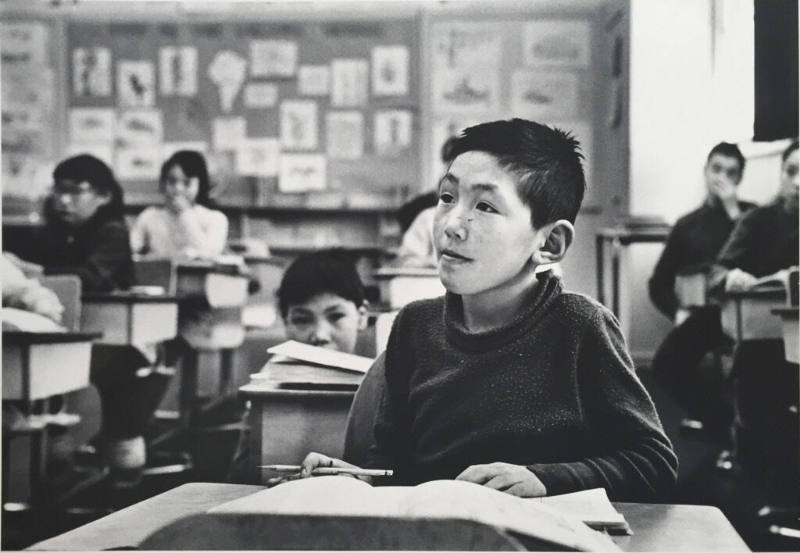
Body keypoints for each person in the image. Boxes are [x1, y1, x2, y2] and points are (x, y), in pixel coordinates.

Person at [290, 119, 678, 501]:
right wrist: (360, 479)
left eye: (486, 206)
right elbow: (394, 466)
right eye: (447, 198)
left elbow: (654, 463)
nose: (451, 225)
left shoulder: (580, 326)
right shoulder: (414, 326)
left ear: (550, 243)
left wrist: (545, 479)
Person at [15, 155, 168, 483]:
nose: (62, 200)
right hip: (73, 336)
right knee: (38, 377)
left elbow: (89, 279)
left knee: (82, 385)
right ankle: (54, 471)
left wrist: (33, 273)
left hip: (120, 343)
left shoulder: (111, 231)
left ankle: (110, 475)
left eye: (74, 191)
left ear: (104, 196)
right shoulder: (55, 233)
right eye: (57, 191)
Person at [708, 140, 799, 506]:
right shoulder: (758, 220)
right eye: (792, 171)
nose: (798, 182)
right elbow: (717, 272)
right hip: (765, 342)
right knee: (761, 397)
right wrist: (731, 278)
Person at [648, 142, 755, 435]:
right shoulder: (687, 225)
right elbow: (658, 282)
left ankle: (743, 425)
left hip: (748, 312)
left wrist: (734, 211)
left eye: (731, 173)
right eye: (717, 169)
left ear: (740, 179)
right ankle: (723, 421)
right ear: (705, 172)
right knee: (666, 365)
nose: (722, 178)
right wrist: (676, 310)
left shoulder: (753, 218)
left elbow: (761, 263)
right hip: (706, 315)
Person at [130, 150, 228, 260]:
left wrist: (186, 214)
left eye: (187, 183)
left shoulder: (215, 218)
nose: (178, 189)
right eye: (171, 181)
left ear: (200, 185)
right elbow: (130, 250)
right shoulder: (150, 216)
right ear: (163, 183)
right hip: (159, 275)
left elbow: (209, 255)